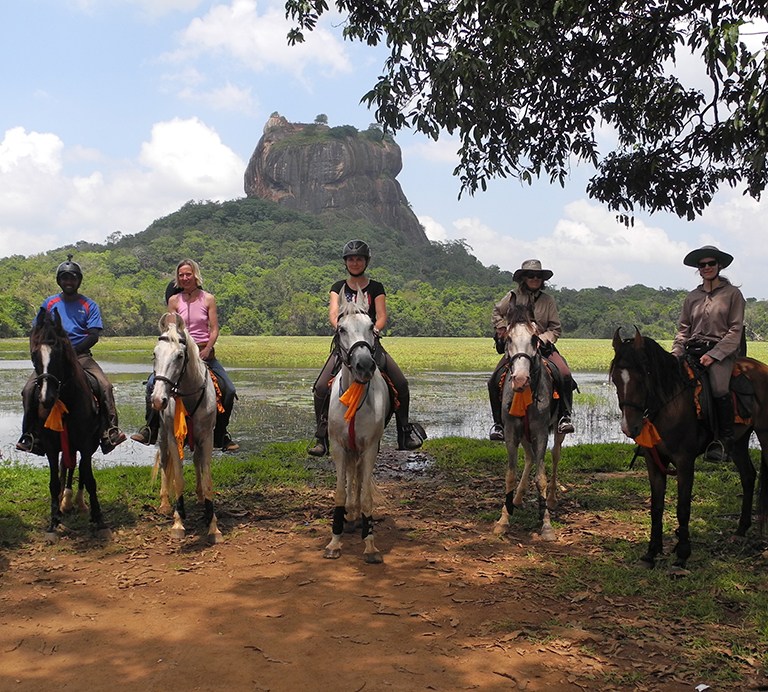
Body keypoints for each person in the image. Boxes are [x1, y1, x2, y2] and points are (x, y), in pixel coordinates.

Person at [307, 239, 426, 456]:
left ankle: (404, 432)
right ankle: (321, 435)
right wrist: (343, 327)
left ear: (366, 261)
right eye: (351, 259)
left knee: (400, 383)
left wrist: (374, 330)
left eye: (359, 259)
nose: (354, 263)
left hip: (370, 343)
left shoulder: (376, 287)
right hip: (345, 346)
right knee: (322, 387)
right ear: (346, 262)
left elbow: (381, 316)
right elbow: (333, 315)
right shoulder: (337, 287)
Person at [17, 255, 127, 455]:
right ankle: (31, 435)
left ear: (79, 281)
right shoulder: (49, 304)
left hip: (81, 356)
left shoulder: (88, 305)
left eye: (72, 278)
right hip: (51, 359)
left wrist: (72, 352)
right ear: (59, 280)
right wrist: (38, 356)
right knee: (28, 391)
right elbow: (37, 332)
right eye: (65, 278)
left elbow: (93, 335)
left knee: (104, 385)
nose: (69, 282)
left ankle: (109, 431)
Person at [131, 259, 239, 452]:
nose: (185, 278)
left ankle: (221, 434)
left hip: (204, 352)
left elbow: (214, 329)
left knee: (229, 390)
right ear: (177, 278)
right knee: (151, 385)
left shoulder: (208, 299)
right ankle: (150, 429)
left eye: (188, 274)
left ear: (195, 275)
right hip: (180, 353)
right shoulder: (174, 301)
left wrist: (208, 348)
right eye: (181, 275)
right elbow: (172, 329)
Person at [487, 259, 575, 441]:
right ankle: (498, 424)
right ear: (524, 278)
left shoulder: (548, 301)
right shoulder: (512, 296)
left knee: (565, 374)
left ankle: (564, 417)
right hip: (517, 347)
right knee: (493, 381)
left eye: (538, 276)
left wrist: (541, 339)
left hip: (542, 347)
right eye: (531, 275)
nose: (534, 278)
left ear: (542, 280)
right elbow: (496, 311)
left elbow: (555, 328)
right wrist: (501, 327)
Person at [672, 245, 745, 462]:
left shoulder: (733, 294)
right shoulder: (692, 296)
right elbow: (683, 329)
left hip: (722, 350)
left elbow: (735, 330)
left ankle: (724, 441)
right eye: (702, 265)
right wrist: (676, 353)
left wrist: (715, 354)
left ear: (719, 265)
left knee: (719, 388)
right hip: (692, 349)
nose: (706, 267)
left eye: (711, 263)